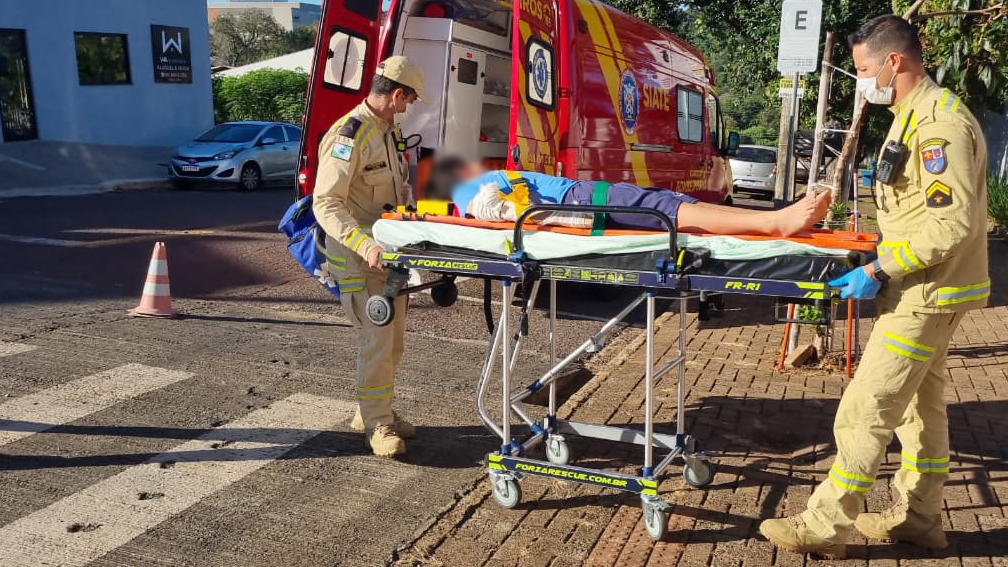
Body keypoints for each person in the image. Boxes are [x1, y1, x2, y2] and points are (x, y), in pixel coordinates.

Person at [759, 15, 989, 558]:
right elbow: (914, 209)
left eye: (864, 70)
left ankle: (825, 526)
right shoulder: (910, 116)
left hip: (924, 293)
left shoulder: (937, 124)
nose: (861, 80)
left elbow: (950, 225)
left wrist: (879, 270)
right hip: (926, 289)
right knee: (919, 412)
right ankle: (919, 519)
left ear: (894, 62)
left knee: (866, 407)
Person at [313, 56, 426, 457]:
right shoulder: (350, 134)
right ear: (397, 94)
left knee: (392, 345)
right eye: (411, 99)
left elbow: (399, 190)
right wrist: (366, 246)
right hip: (360, 257)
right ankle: (377, 425)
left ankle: (375, 411)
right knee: (376, 341)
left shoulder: (390, 132)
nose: (411, 106)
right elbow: (326, 203)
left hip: (390, 257)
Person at [425, 157, 833, 237]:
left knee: (667, 202)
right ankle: (772, 223)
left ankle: (772, 219)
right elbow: (491, 209)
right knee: (664, 208)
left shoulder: (472, 185)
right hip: (580, 200)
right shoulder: (468, 192)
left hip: (581, 196)